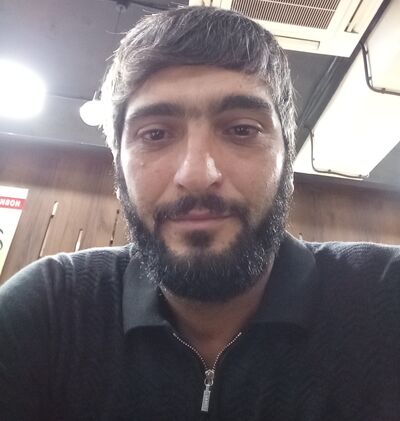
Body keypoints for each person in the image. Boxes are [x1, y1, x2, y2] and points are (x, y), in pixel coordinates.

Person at [1, 5, 400, 421]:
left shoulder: (388, 300)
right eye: (155, 134)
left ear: (286, 155)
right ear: (118, 164)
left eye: (241, 129)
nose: (196, 175)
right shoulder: (48, 312)